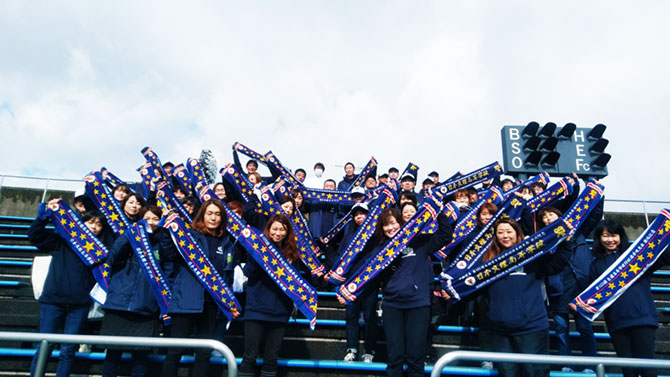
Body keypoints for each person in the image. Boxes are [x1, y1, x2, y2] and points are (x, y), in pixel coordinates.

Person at [569, 219, 670, 377]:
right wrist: (580, 305)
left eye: (614, 235)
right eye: (605, 236)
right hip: (617, 323)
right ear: (599, 239)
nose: (610, 240)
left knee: (648, 369)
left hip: (642, 319)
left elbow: (664, 257)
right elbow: (593, 295)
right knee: (628, 371)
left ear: (621, 236)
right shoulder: (595, 265)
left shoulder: (637, 256)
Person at [479, 217, 573, 377]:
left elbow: (555, 265)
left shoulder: (532, 255)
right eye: (500, 232)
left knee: (535, 373)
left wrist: (566, 243)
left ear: (517, 233)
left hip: (532, 328)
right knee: (507, 374)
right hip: (501, 331)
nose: (505, 236)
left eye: (509, 231)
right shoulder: (488, 261)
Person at [28, 200, 109, 377]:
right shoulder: (62, 241)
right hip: (53, 301)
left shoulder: (100, 252)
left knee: (68, 350)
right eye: (90, 222)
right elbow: (35, 236)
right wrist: (43, 217)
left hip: (79, 305)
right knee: (44, 345)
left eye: (99, 224)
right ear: (81, 223)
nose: (94, 227)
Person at [160, 199, 239, 377]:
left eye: (217, 214)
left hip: (211, 306)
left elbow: (228, 275)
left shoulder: (227, 242)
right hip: (186, 302)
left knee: (204, 354)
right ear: (202, 215)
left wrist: (229, 302)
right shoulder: (189, 236)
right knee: (175, 352)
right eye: (209, 213)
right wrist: (166, 230)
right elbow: (169, 254)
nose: (213, 217)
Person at [374, 204, 452, 377]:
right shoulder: (380, 250)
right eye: (385, 225)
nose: (390, 228)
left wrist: (439, 212)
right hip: (392, 306)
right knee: (394, 357)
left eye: (394, 223)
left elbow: (446, 236)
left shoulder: (419, 241)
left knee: (415, 357)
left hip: (418, 304)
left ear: (401, 223)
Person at [100, 205, 170, 377]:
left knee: (140, 358)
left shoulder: (162, 242)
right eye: (147, 219)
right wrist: (129, 234)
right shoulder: (129, 239)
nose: (151, 223)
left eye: (156, 219)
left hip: (146, 308)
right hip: (119, 305)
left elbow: (169, 267)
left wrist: (165, 234)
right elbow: (113, 257)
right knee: (112, 356)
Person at [540, 205, 600, 373]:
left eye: (551, 214)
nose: (548, 219)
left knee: (585, 329)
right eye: (544, 217)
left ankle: (590, 365)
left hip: (582, 288)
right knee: (561, 330)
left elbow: (595, 214)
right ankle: (566, 364)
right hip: (558, 290)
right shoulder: (546, 240)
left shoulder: (578, 230)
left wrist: (597, 193)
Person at [238, 215, 300, 377]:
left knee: (271, 358)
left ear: (287, 232)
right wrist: (257, 254)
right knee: (249, 357)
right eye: (275, 229)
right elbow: (248, 272)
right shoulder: (259, 249)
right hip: (256, 309)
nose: (278, 233)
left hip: (280, 312)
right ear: (268, 230)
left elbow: (298, 282)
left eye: (282, 230)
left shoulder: (292, 254)